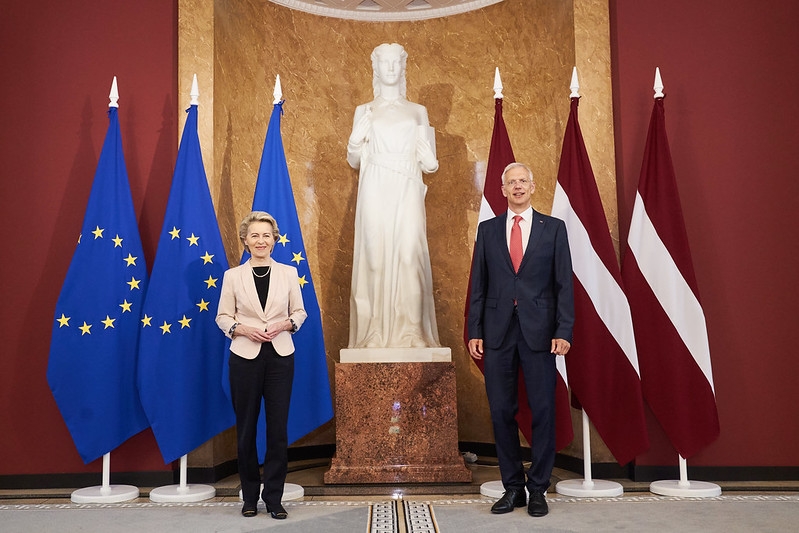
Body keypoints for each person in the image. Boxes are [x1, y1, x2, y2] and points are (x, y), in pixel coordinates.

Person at [467, 162, 574, 518]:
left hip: (541, 333)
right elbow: (478, 287)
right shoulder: (488, 230)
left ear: (533, 186)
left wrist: (563, 330)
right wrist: (475, 330)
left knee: (543, 410)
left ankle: (539, 488)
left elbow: (564, 286)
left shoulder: (553, 229)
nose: (517, 186)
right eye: (511, 182)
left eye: (523, 181)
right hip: (497, 334)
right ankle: (513, 488)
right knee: (501, 412)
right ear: (502, 189)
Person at [346, 42, 441, 349]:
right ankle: (372, 332)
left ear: (403, 68)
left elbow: (430, 163)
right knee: (374, 258)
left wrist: (430, 162)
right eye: (384, 62)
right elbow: (354, 160)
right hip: (374, 184)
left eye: (395, 63)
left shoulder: (418, 111)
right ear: (375, 68)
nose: (390, 68)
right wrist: (354, 141)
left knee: (409, 256)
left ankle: (412, 331)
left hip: (408, 184)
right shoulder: (364, 110)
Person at [216, 211, 307, 519]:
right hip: (244, 357)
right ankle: (249, 497)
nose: (261, 240)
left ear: (275, 239)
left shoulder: (289, 273)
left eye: (266, 235)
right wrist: (241, 329)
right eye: (254, 235)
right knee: (246, 429)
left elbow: (300, 312)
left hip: (281, 356)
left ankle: (274, 497)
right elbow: (223, 317)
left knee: (277, 429)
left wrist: (285, 324)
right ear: (245, 241)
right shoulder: (232, 276)